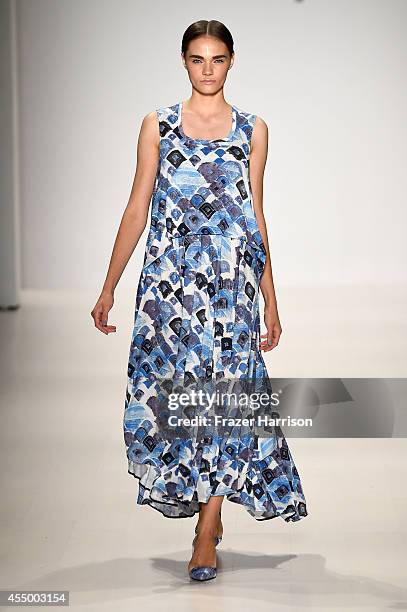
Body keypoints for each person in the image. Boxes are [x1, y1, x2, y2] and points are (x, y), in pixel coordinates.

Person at [91, 19, 308, 582]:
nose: (206, 69)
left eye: (216, 59)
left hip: (231, 288)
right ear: (183, 62)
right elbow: (138, 204)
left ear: (232, 61)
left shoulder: (253, 129)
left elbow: (253, 214)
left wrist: (271, 296)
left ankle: (208, 527)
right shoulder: (158, 124)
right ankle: (201, 512)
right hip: (171, 286)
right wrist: (109, 285)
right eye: (196, 59)